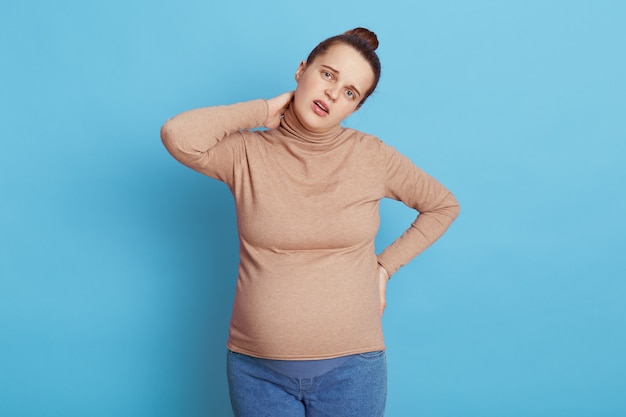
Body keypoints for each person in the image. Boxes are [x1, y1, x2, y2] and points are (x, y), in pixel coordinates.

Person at [161, 27, 460, 417]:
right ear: (301, 70)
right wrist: (262, 110)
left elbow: (442, 206)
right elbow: (177, 135)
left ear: (354, 108)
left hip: (353, 372)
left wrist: (384, 268)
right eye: (328, 75)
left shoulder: (371, 157)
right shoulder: (246, 153)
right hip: (257, 373)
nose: (333, 93)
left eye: (350, 92)